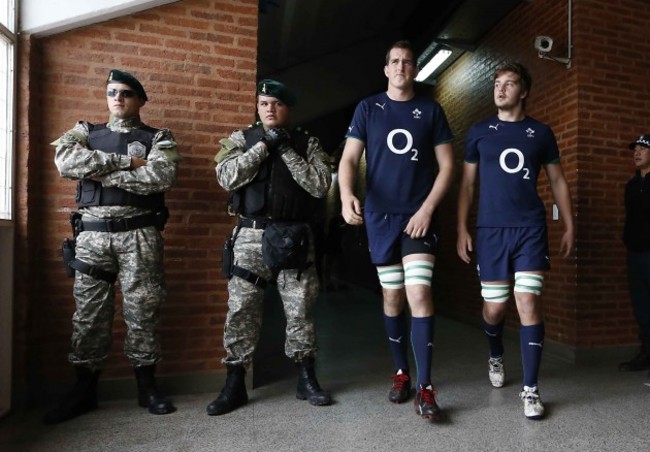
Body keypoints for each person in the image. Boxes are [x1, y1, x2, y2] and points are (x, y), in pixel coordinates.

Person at [45, 69, 180, 424]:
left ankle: (146, 387)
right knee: (88, 315)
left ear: (140, 100)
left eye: (126, 93)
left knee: (143, 311)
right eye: (111, 92)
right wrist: (124, 163)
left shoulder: (159, 137)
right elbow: (64, 161)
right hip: (91, 237)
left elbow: (160, 176)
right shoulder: (84, 132)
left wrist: (95, 170)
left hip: (140, 235)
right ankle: (84, 390)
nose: (117, 98)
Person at [338, 40, 454, 423]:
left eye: (407, 61)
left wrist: (426, 209)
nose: (401, 66)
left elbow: (448, 167)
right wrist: (345, 195)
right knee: (392, 297)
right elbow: (349, 159)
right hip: (379, 217)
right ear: (386, 69)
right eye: (394, 61)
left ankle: (426, 387)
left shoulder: (431, 110)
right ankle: (402, 372)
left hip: (418, 216)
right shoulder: (368, 108)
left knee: (419, 292)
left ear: (415, 70)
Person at [456, 62, 574, 420]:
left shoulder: (540, 133)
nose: (501, 89)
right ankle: (495, 351)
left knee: (527, 303)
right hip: (491, 231)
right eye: (497, 83)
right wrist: (462, 227)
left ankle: (531, 390)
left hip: (529, 230)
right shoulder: (479, 132)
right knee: (495, 309)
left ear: (524, 92)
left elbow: (557, 181)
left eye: (509, 84)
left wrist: (569, 225)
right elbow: (467, 185)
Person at [207, 79, 332, 415]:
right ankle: (234, 383)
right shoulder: (241, 140)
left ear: (287, 108)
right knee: (241, 310)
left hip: (293, 238)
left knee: (300, 309)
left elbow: (320, 185)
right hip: (250, 235)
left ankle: (306, 377)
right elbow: (227, 177)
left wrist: (287, 149)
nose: (269, 109)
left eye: (276, 103)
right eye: (263, 103)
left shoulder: (307, 142)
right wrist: (264, 145)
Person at [619, 134, 650, 373]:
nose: (637, 152)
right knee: (641, 307)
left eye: (643, 148)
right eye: (635, 149)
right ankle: (646, 354)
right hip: (635, 254)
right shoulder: (631, 185)